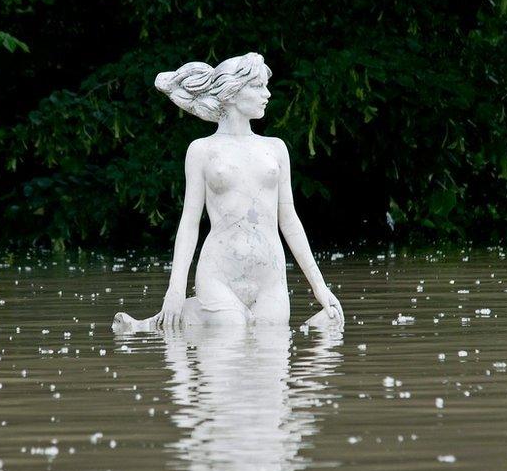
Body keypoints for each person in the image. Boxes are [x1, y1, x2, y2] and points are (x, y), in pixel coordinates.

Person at [113, 52, 343, 332]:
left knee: (274, 338)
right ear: (232, 93)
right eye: (258, 86)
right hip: (219, 272)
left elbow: (289, 220)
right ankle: (169, 317)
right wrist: (174, 289)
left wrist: (320, 288)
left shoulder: (276, 148)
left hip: (269, 276)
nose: (267, 94)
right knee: (231, 332)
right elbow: (189, 222)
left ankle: (157, 324)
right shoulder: (201, 150)